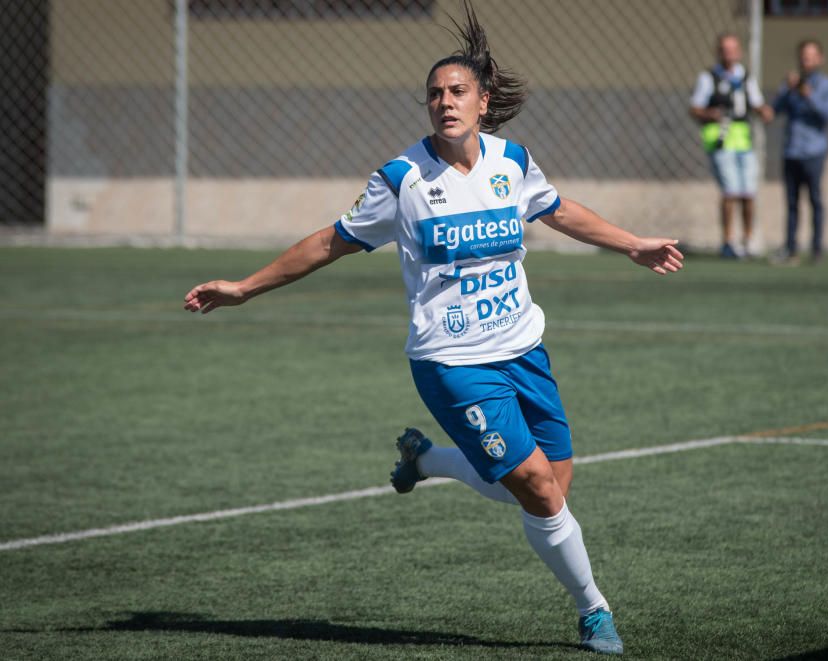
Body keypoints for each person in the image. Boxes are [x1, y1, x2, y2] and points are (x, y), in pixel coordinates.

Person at [183, 3, 683, 655]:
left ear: (483, 101)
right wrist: (245, 287)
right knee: (534, 487)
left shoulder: (512, 162)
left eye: (456, 92)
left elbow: (559, 211)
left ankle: (426, 460)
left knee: (553, 485)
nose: (444, 103)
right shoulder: (402, 179)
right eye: (434, 95)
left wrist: (630, 244)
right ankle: (594, 611)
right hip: (453, 362)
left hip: (525, 348)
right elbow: (328, 243)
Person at [689, 32, 773, 259]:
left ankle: (748, 240)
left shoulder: (746, 77)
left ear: (739, 52)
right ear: (719, 52)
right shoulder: (708, 77)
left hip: (743, 140)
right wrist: (709, 113)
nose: (729, 53)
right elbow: (694, 108)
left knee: (748, 192)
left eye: (733, 49)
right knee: (730, 191)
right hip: (720, 139)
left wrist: (764, 111)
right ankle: (727, 241)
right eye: (725, 49)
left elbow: (756, 103)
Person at [771, 38, 828, 265]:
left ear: (820, 59)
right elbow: (774, 111)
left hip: (814, 151)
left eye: (811, 57)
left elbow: (827, 115)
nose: (806, 61)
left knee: (815, 200)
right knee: (791, 203)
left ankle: (817, 249)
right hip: (792, 151)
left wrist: (807, 94)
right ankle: (791, 248)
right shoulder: (791, 85)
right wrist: (786, 92)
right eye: (803, 56)